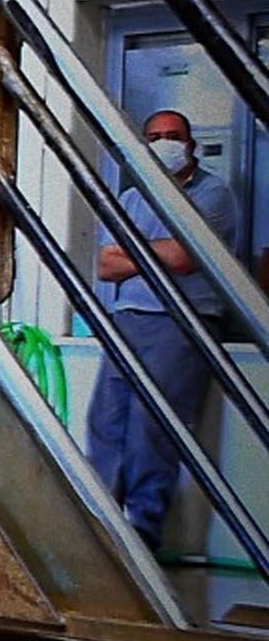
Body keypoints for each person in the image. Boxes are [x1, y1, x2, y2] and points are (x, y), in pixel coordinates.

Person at [86, 109, 241, 546]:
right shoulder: (135, 197)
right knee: (107, 423)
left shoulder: (214, 195)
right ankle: (102, 532)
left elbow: (187, 256)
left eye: (173, 136)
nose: (164, 143)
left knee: (152, 430)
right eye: (154, 136)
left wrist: (133, 254)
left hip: (182, 321)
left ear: (190, 143)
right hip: (127, 318)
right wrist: (157, 254)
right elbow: (104, 265)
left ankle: (143, 538)